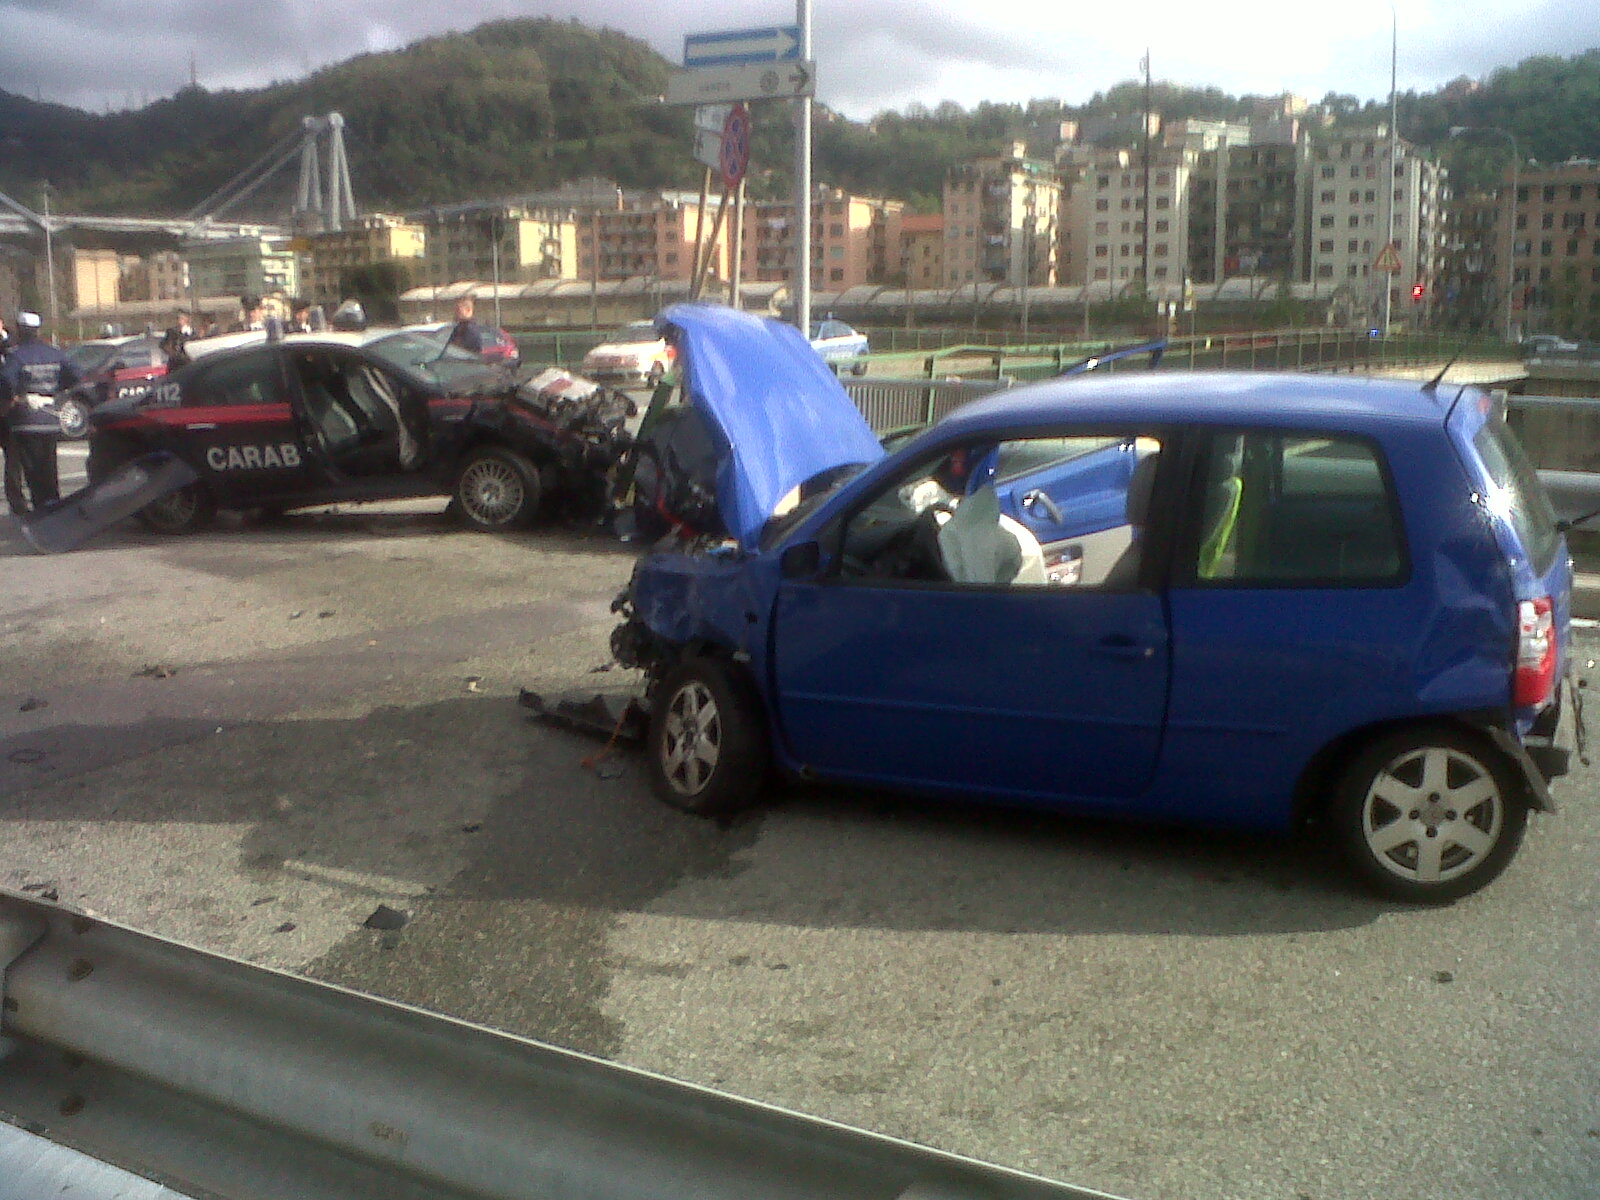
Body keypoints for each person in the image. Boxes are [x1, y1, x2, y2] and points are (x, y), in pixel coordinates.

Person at [1, 312, 79, 514]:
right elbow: (76, 375)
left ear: (20, 330)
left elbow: (6, 382)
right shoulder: (55, 353)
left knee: (33, 472)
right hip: (50, 418)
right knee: (49, 469)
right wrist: (57, 390)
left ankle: (40, 512)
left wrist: (13, 398)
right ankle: (54, 507)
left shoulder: (16, 356)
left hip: (26, 420)